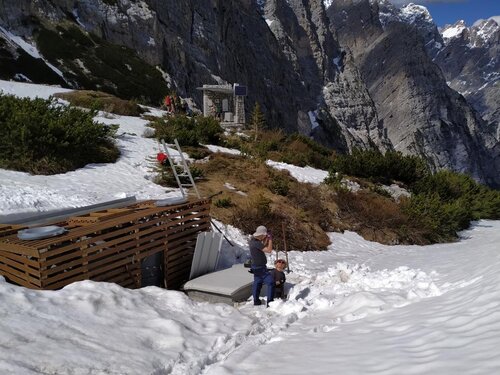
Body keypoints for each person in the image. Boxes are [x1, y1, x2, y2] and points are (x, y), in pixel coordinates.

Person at [249, 225, 275, 306]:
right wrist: (270, 239)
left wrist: (266, 238)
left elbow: (262, 244)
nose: (265, 236)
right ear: (262, 234)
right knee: (270, 282)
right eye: (264, 235)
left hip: (256, 267)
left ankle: (256, 301)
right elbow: (269, 250)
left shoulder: (253, 241)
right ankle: (270, 303)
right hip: (260, 268)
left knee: (257, 283)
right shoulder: (256, 243)